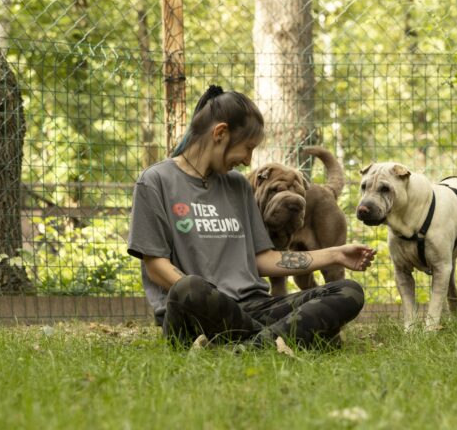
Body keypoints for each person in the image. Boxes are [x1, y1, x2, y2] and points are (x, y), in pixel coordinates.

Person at [127, 84, 375, 351]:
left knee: (348, 291)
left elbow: (263, 259)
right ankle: (287, 337)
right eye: (247, 148)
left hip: (253, 306)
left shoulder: (238, 186)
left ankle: (251, 345)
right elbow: (155, 266)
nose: (248, 160)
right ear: (220, 133)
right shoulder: (155, 181)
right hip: (194, 311)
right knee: (189, 287)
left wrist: (336, 254)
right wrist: (213, 298)